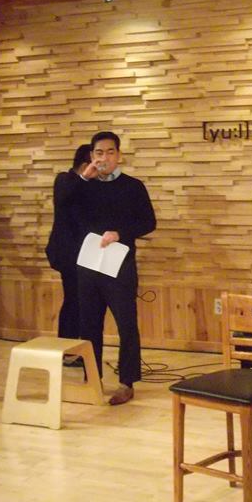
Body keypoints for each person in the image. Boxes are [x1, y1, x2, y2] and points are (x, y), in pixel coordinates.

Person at [71, 132, 156, 405]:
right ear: (91, 156)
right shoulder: (83, 186)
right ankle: (92, 378)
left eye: (110, 152)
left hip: (120, 264)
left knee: (126, 324)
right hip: (89, 264)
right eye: (99, 153)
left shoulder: (133, 186)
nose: (104, 158)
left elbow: (148, 222)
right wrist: (84, 179)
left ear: (118, 155)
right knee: (89, 324)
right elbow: (65, 210)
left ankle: (126, 382)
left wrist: (120, 233)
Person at [45, 144, 92, 339]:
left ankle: (80, 346)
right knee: (73, 300)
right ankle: (66, 346)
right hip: (68, 253)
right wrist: (85, 177)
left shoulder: (91, 185)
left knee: (84, 302)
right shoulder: (64, 179)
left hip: (87, 253)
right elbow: (64, 197)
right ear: (85, 165)